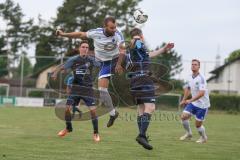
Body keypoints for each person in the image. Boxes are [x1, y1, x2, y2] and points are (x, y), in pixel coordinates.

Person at [56, 17, 126, 127]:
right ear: (105, 27)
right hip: (103, 63)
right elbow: (80, 34)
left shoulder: (118, 34)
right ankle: (113, 114)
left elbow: (122, 50)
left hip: (114, 60)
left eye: (115, 27)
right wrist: (63, 34)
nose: (114, 30)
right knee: (102, 90)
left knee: (132, 57)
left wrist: (118, 64)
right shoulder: (96, 32)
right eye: (111, 28)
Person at [126, 28, 174, 150]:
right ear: (141, 36)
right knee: (150, 107)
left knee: (142, 109)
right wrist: (137, 38)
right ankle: (141, 135)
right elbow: (134, 43)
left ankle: (143, 136)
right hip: (143, 78)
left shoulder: (136, 49)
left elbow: (149, 54)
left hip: (135, 80)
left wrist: (164, 49)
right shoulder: (138, 42)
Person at [52, 40, 101, 142]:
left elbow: (101, 64)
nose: (85, 49)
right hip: (75, 89)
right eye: (83, 47)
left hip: (87, 89)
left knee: (93, 111)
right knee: (67, 109)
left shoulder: (91, 60)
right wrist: (55, 73)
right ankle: (68, 128)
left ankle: (96, 133)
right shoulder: (73, 59)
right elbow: (62, 67)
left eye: (87, 47)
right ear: (80, 48)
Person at [179, 59, 210, 143]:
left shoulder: (202, 78)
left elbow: (201, 93)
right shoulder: (189, 77)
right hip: (193, 103)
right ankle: (189, 133)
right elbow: (188, 89)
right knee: (183, 117)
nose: (193, 65)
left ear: (199, 66)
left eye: (195, 64)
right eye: (192, 64)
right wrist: (184, 100)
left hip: (203, 105)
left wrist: (190, 100)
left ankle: (203, 137)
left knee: (198, 125)